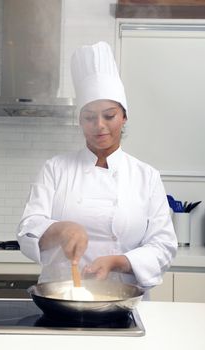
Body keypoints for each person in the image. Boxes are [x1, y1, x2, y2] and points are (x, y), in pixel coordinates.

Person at [17, 41, 177, 297]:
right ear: (80, 121)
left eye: (109, 115)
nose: (99, 125)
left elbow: (163, 245)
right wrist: (59, 229)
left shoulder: (146, 176)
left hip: (124, 300)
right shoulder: (56, 168)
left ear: (124, 117)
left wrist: (118, 261)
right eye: (89, 117)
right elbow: (28, 230)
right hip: (62, 297)